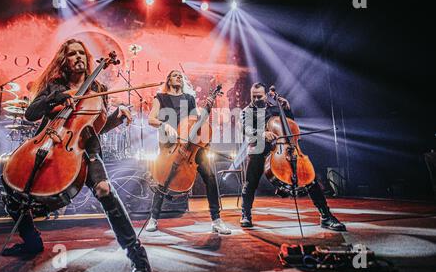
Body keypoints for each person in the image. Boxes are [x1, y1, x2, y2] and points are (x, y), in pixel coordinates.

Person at [1, 39, 153, 272]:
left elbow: (95, 126)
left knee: (105, 190)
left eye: (81, 53)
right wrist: (59, 97)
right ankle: (32, 243)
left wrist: (117, 117)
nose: (78, 57)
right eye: (72, 54)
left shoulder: (99, 89)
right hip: (51, 142)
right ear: (65, 60)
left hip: (86, 148)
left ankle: (139, 259)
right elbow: (31, 113)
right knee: (14, 192)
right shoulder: (54, 86)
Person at [239, 83, 346, 231]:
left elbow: (290, 126)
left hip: (282, 148)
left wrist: (287, 110)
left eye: (260, 96)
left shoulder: (276, 108)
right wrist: (262, 133)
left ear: (265, 95)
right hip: (258, 148)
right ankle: (245, 214)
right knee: (250, 183)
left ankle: (326, 216)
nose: (257, 99)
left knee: (310, 178)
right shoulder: (246, 112)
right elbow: (246, 128)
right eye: (254, 96)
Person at [146, 70, 231, 234]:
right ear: (168, 80)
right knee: (164, 178)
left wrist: (205, 112)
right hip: (171, 143)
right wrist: (164, 125)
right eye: (174, 75)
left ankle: (216, 220)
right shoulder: (161, 97)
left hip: (191, 145)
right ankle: (153, 218)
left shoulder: (189, 98)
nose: (178, 77)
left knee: (210, 177)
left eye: (180, 76)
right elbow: (151, 119)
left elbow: (195, 122)